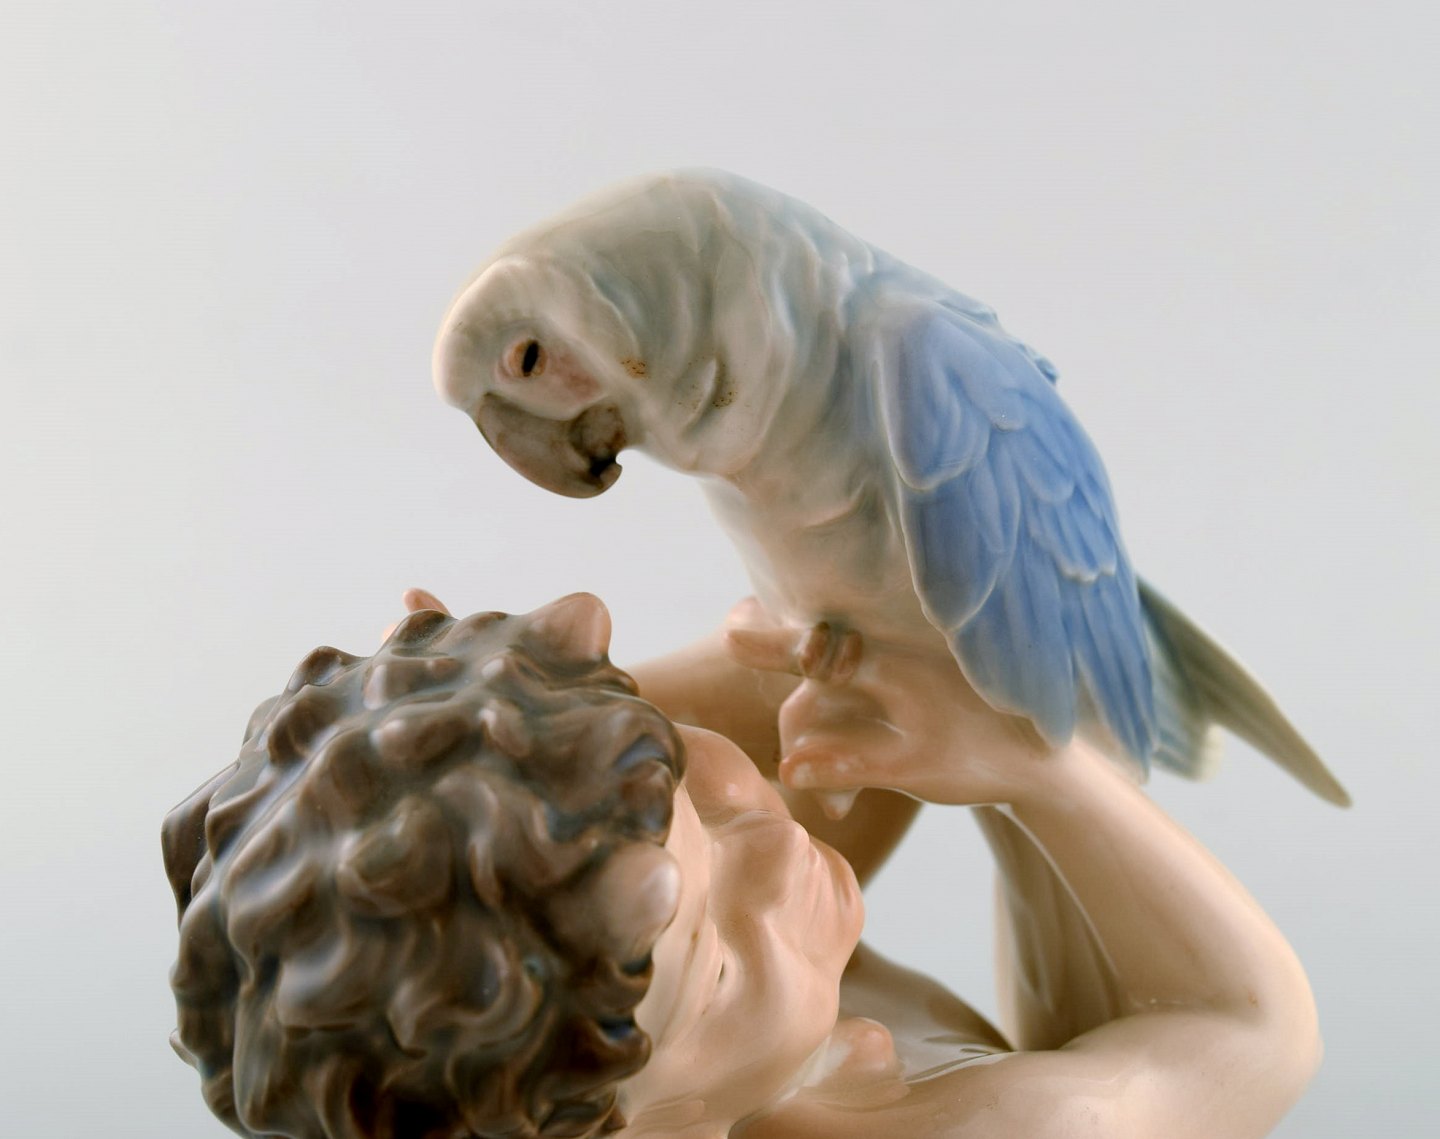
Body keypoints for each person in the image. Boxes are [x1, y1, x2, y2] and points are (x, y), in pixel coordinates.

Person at [164, 592, 1319, 1139]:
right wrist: (1044, 773)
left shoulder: (617, 958)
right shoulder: (993, 1128)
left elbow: (789, 738)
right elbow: (1244, 1030)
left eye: (691, 780)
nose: (774, 845)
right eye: (715, 965)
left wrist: (824, 645)